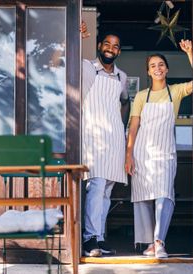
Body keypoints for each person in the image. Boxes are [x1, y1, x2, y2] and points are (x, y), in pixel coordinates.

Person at [125, 40, 193, 258]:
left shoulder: (176, 91)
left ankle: (159, 241)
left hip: (165, 153)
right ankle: (149, 244)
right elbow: (133, 127)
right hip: (142, 153)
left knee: (164, 195)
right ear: (148, 71)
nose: (157, 68)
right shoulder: (141, 96)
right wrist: (129, 155)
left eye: (161, 64)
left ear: (167, 69)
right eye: (153, 65)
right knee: (143, 197)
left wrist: (190, 53)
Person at [80, 22, 129, 257]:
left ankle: (99, 236)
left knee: (107, 190)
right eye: (107, 44)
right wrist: (78, 37)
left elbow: (124, 102)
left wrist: (120, 126)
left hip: (115, 139)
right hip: (94, 136)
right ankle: (89, 237)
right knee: (95, 186)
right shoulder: (88, 68)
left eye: (116, 46)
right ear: (100, 46)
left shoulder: (122, 76)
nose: (111, 48)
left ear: (119, 51)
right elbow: (65, 63)